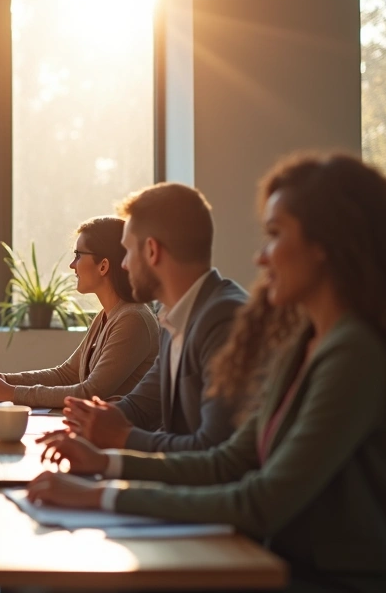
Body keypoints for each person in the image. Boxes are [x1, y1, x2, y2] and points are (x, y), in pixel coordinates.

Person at [30, 153, 386, 592]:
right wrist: (105, 462)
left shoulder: (355, 352)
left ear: (326, 246)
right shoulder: (304, 343)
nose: (261, 257)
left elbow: (260, 501)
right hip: (279, 561)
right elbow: (230, 460)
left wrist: (99, 495)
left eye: (275, 235)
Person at [62, 183, 248, 452]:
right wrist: (90, 421)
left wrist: (115, 450)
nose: (123, 264)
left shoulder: (224, 319)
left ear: (152, 251)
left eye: (128, 251)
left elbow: (212, 448)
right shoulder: (174, 316)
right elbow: (141, 405)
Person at [0, 217, 160, 408]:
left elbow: (90, 392)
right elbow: (66, 374)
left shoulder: (132, 319)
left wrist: (10, 392)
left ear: (103, 266)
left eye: (78, 255)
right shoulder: (107, 315)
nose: (72, 265)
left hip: (120, 434)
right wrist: (5, 380)